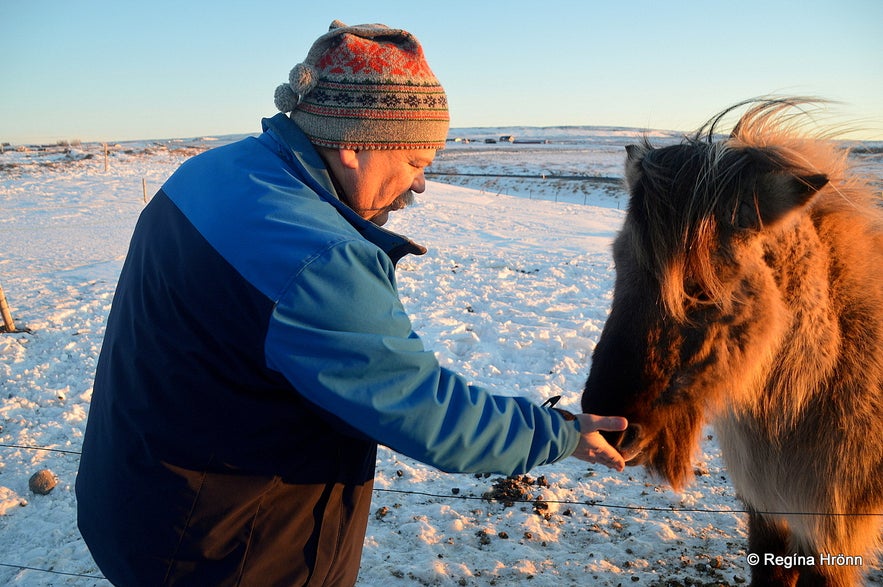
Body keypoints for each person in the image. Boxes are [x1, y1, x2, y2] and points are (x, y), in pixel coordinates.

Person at [76, 20, 628, 586]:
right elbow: (424, 411)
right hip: (229, 553)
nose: (419, 186)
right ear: (353, 144)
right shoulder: (320, 259)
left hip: (137, 500)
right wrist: (555, 432)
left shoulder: (212, 172)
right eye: (415, 160)